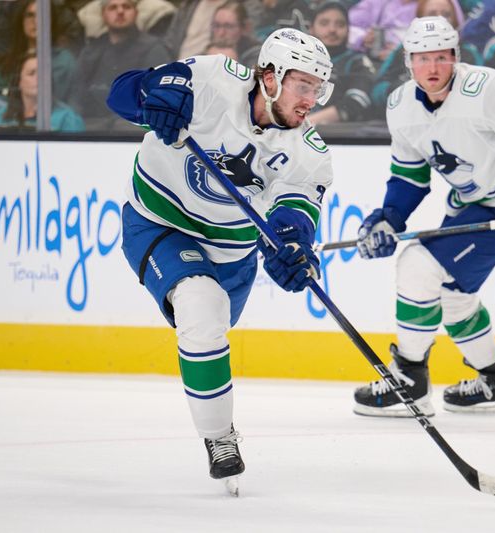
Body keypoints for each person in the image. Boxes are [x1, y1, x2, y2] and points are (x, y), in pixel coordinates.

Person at [105, 28, 334, 489]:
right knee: (199, 304)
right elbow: (120, 95)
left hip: (232, 254)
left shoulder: (308, 152)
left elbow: (293, 214)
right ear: (270, 77)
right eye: (303, 85)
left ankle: (217, 426)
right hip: (157, 221)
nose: (312, 99)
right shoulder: (211, 79)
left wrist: (291, 247)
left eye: (318, 88)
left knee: (209, 319)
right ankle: (219, 437)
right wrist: (155, 95)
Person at [352, 16, 495, 417]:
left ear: (456, 56)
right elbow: (409, 177)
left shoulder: (486, 90)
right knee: (453, 296)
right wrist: (389, 217)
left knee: (418, 267)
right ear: (408, 62)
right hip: (471, 206)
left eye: (441, 57)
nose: (433, 68)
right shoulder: (400, 105)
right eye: (422, 59)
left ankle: (408, 381)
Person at [0, 0, 78, 121]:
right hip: (3, 120)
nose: (36, 21)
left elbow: (54, 102)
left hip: (45, 119)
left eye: (41, 16)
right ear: (21, 21)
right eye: (30, 15)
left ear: (51, 21)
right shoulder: (11, 57)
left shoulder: (64, 60)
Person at [371, 0, 480, 118]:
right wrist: (400, 90)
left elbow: (478, 94)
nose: (439, 20)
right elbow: (376, 90)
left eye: (446, 15)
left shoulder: (468, 53)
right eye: (432, 14)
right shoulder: (403, 51)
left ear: (455, 20)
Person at [70, 0, 169, 121]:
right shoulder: (91, 51)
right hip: (89, 129)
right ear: (103, 15)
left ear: (136, 13)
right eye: (113, 8)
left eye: (126, 7)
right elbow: (76, 96)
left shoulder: (153, 49)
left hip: (131, 130)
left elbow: (158, 100)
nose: (120, 11)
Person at [308, 1, 377, 124]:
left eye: (340, 24)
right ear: (311, 29)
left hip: (338, 137)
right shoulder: (297, 60)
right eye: (324, 23)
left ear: (348, 30)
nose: (332, 29)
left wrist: (303, 125)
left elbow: (356, 103)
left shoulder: (358, 62)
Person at [0, 53, 85, 131]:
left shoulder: (68, 119)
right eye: (31, 73)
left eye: (43, 73)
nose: (38, 78)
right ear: (19, 81)